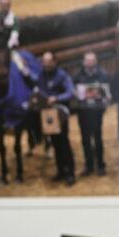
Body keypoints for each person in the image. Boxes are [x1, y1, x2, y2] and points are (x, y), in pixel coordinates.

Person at [36, 51, 77, 186]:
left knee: (64, 142)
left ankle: (70, 173)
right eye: (44, 62)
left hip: (61, 113)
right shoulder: (41, 75)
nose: (46, 64)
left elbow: (70, 92)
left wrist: (57, 98)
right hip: (48, 114)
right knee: (54, 142)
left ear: (55, 62)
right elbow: (39, 88)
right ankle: (60, 171)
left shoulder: (62, 75)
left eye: (48, 62)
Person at [73, 51, 111, 176]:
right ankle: (89, 165)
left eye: (92, 60)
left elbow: (107, 94)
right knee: (85, 140)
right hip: (83, 112)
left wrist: (102, 98)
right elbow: (73, 92)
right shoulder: (77, 76)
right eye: (88, 60)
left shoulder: (102, 74)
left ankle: (100, 165)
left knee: (97, 138)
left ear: (96, 61)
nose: (90, 63)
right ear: (84, 62)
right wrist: (77, 95)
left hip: (96, 112)